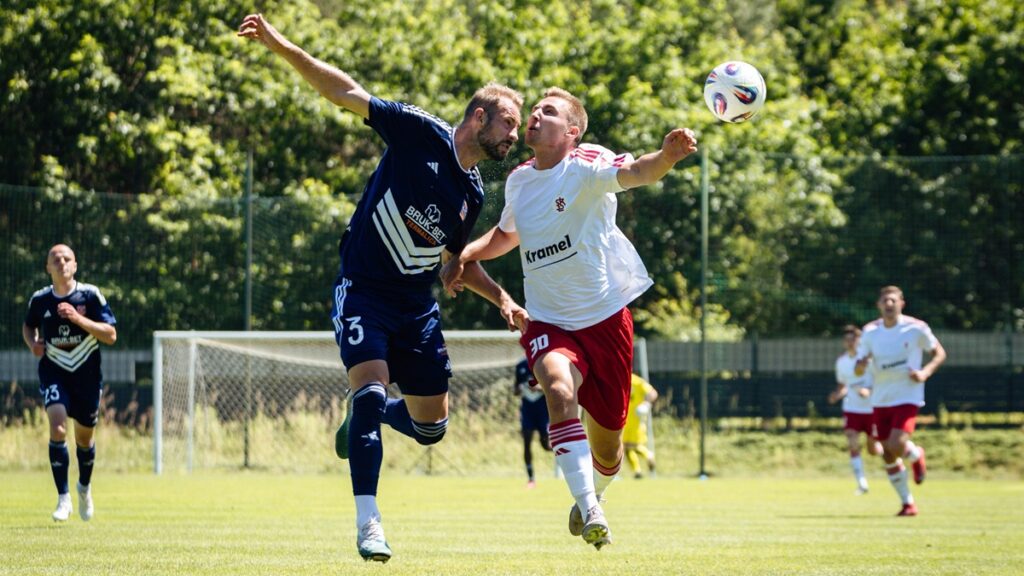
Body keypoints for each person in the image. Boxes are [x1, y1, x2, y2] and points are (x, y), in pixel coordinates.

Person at [238, 14, 524, 562]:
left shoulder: (471, 192)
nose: (515, 135)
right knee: (370, 393)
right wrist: (278, 44)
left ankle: (365, 414)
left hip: (416, 309)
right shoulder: (419, 132)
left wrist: (504, 301)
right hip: (364, 290)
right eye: (509, 123)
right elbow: (342, 89)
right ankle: (369, 523)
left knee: (431, 429)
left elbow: (453, 264)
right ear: (479, 115)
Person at [442, 87, 698, 549]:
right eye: (535, 110)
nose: (534, 116)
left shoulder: (586, 165)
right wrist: (464, 255)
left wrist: (667, 155)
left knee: (609, 448)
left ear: (572, 132)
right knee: (559, 391)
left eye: (548, 112)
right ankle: (593, 507)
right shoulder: (520, 181)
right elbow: (506, 236)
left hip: (605, 320)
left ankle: (592, 493)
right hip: (547, 321)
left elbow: (639, 171)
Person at [22, 244, 117, 522]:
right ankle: (63, 498)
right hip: (55, 371)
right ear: (47, 267)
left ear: (75, 265)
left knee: (84, 439)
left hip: (86, 377)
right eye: (55, 259)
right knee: (58, 424)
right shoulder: (40, 300)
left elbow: (110, 335)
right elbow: (29, 326)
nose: (61, 262)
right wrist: (32, 344)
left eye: (67, 259)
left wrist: (78, 318)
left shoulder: (90, 295)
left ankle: (83, 488)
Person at [855, 286, 946, 516]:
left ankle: (915, 455)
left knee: (895, 444)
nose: (889, 304)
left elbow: (939, 353)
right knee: (886, 452)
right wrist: (861, 366)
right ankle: (908, 502)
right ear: (879, 305)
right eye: (885, 300)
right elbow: (858, 369)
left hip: (908, 395)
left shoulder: (916, 328)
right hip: (881, 398)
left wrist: (925, 373)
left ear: (901, 304)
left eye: (893, 300)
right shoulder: (869, 332)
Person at [828, 324, 882, 495]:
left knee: (873, 450)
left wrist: (869, 391)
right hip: (851, 408)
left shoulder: (868, 360)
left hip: (872, 409)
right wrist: (837, 395)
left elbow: (882, 382)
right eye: (847, 340)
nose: (850, 342)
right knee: (852, 442)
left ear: (859, 340)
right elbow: (844, 385)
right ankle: (862, 483)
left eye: (853, 339)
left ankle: (892, 458)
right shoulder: (842, 362)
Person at [514, 358, 551, 487]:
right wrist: (519, 388)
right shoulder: (520, 366)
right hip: (527, 410)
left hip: (543, 411)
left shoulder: (544, 364)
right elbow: (515, 390)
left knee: (546, 445)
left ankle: (572, 460)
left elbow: (551, 387)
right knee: (527, 442)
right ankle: (531, 478)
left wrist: (538, 388)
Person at [623, 373, 658, 479]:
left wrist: (646, 404)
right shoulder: (632, 380)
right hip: (628, 419)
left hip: (632, 419)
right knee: (628, 447)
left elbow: (653, 393)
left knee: (630, 447)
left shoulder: (637, 381)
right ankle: (637, 470)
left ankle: (647, 456)